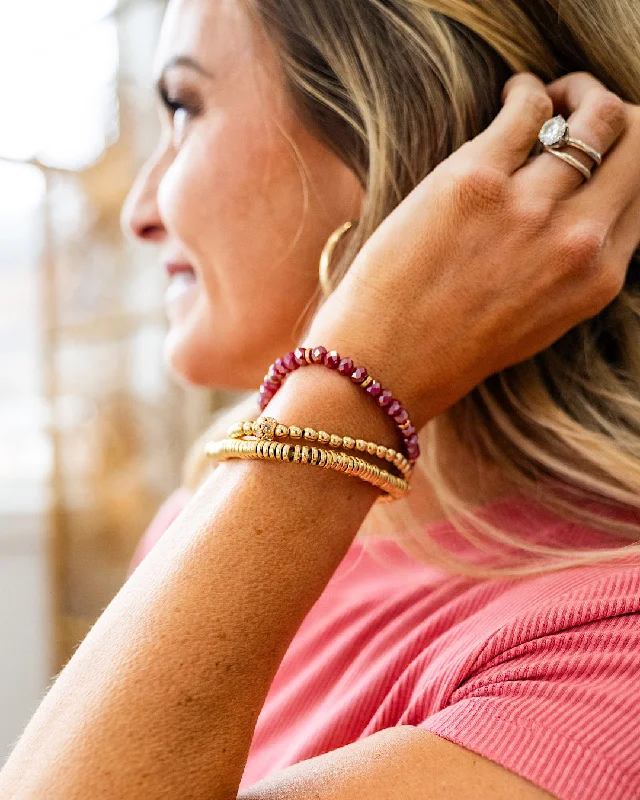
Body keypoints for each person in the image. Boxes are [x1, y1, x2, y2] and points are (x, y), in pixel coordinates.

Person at [2, 0, 640, 798]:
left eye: (185, 107)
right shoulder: (216, 514)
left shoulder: (610, 654)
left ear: (396, 152)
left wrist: (350, 379)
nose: (137, 212)